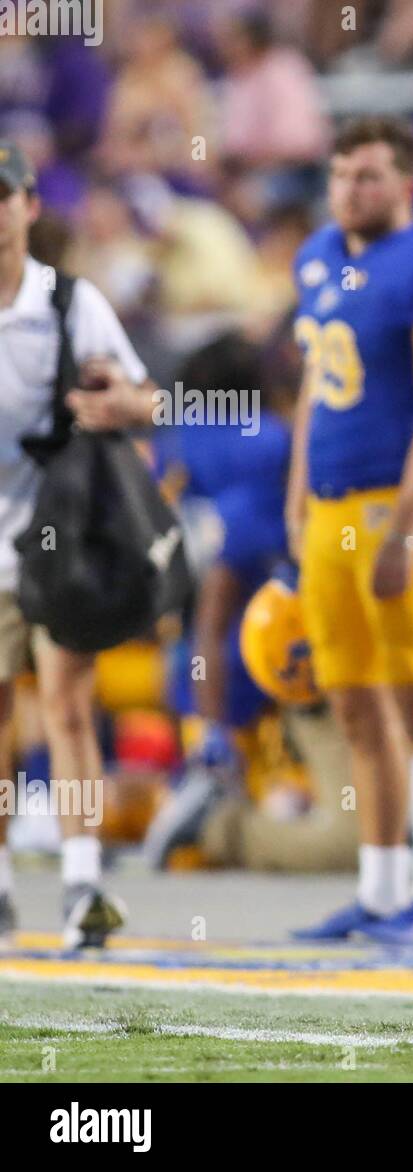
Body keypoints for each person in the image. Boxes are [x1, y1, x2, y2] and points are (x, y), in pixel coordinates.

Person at [287, 118, 413, 944]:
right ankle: (378, 888)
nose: (347, 191)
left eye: (366, 176)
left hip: (389, 506)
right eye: (338, 174)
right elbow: (312, 388)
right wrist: (297, 493)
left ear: (405, 182)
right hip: (328, 504)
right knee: (356, 703)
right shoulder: (318, 254)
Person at [0, 140, 157, 947]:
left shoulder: (69, 302)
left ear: (29, 204)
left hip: (59, 538)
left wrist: (113, 405)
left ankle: (82, 882)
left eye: (5, 195)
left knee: (66, 704)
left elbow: (149, 400)